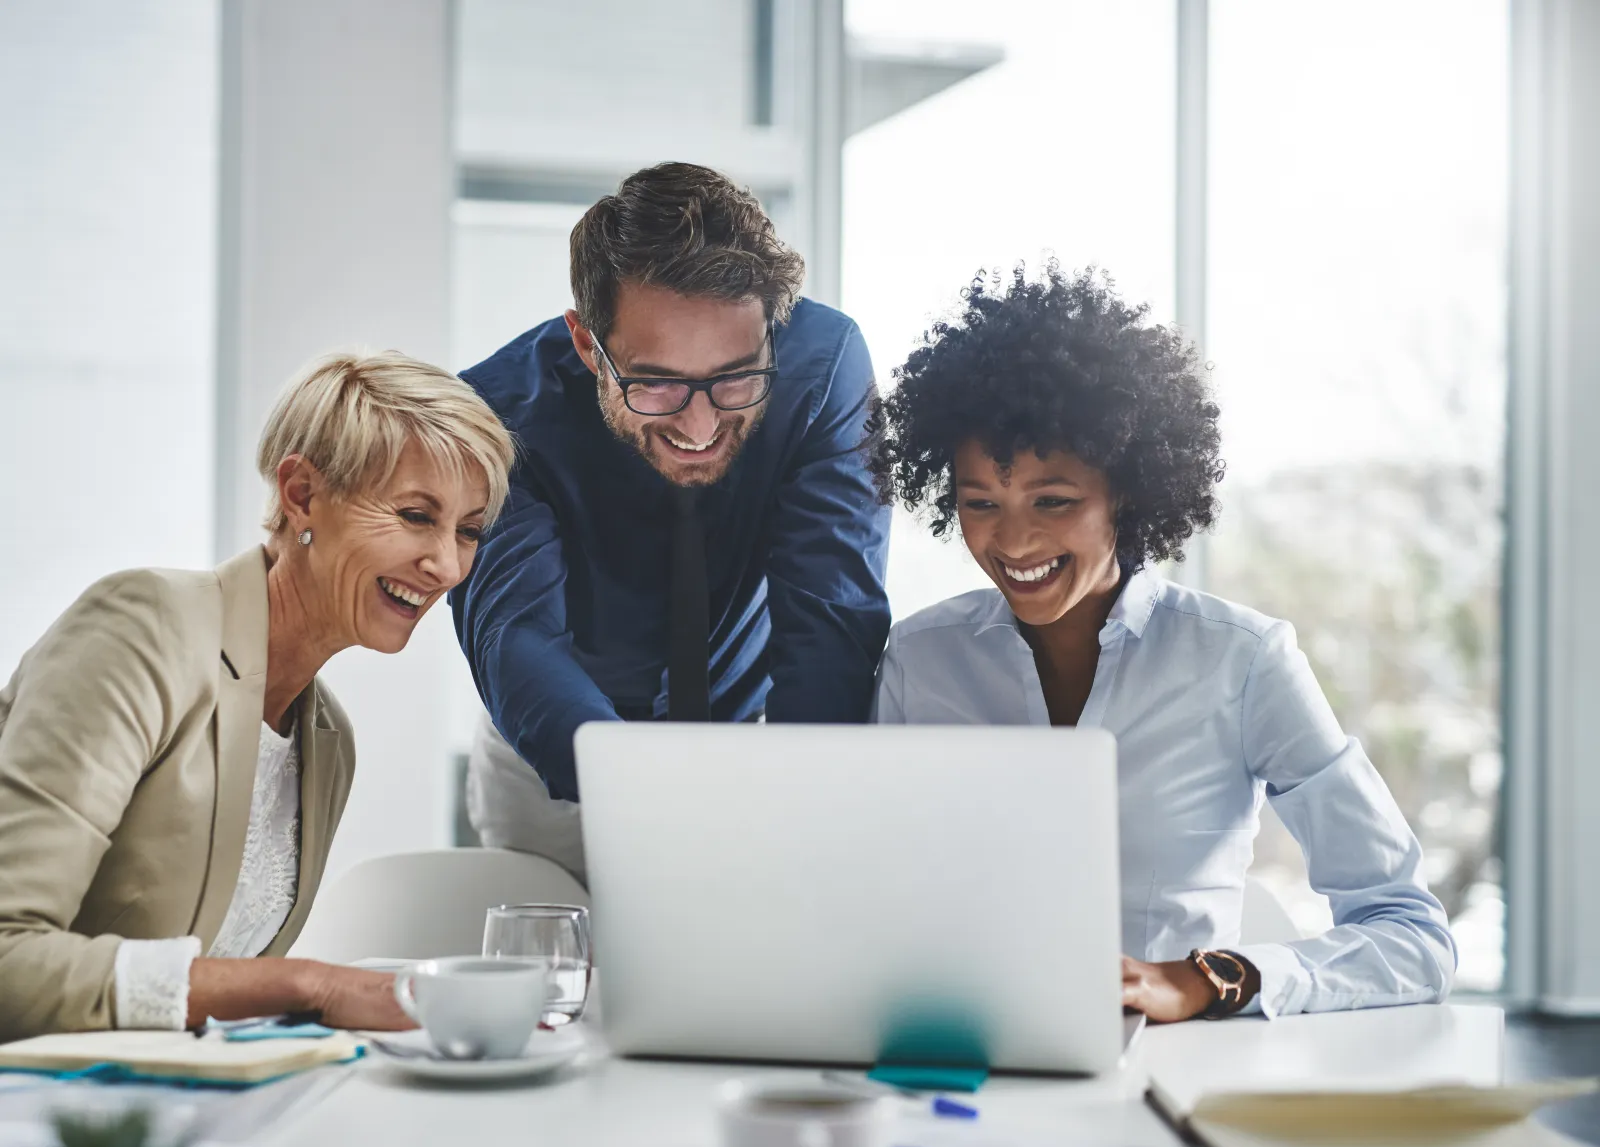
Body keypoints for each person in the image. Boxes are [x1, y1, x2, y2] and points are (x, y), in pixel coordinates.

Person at [869, 263, 1456, 1021]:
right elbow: (874, 897)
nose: (1012, 540)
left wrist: (1201, 980)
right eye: (981, 502)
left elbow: (1412, 935)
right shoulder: (921, 662)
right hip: (964, 1055)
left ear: (1130, 492)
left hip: (1171, 1073)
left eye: (1053, 500)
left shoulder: (1242, 663)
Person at [0, 350, 515, 1040]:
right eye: (416, 515)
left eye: (469, 530)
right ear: (302, 494)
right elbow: (8, 957)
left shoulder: (328, 739)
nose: (447, 565)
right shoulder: (143, 628)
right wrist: (311, 985)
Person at [453, 162, 890, 879]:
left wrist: (805, 804)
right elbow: (517, 634)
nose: (699, 422)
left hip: (752, 744)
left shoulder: (824, 365)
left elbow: (831, 616)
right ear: (588, 342)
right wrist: (652, 799)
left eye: (734, 376)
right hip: (555, 768)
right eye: (656, 382)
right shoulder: (495, 412)